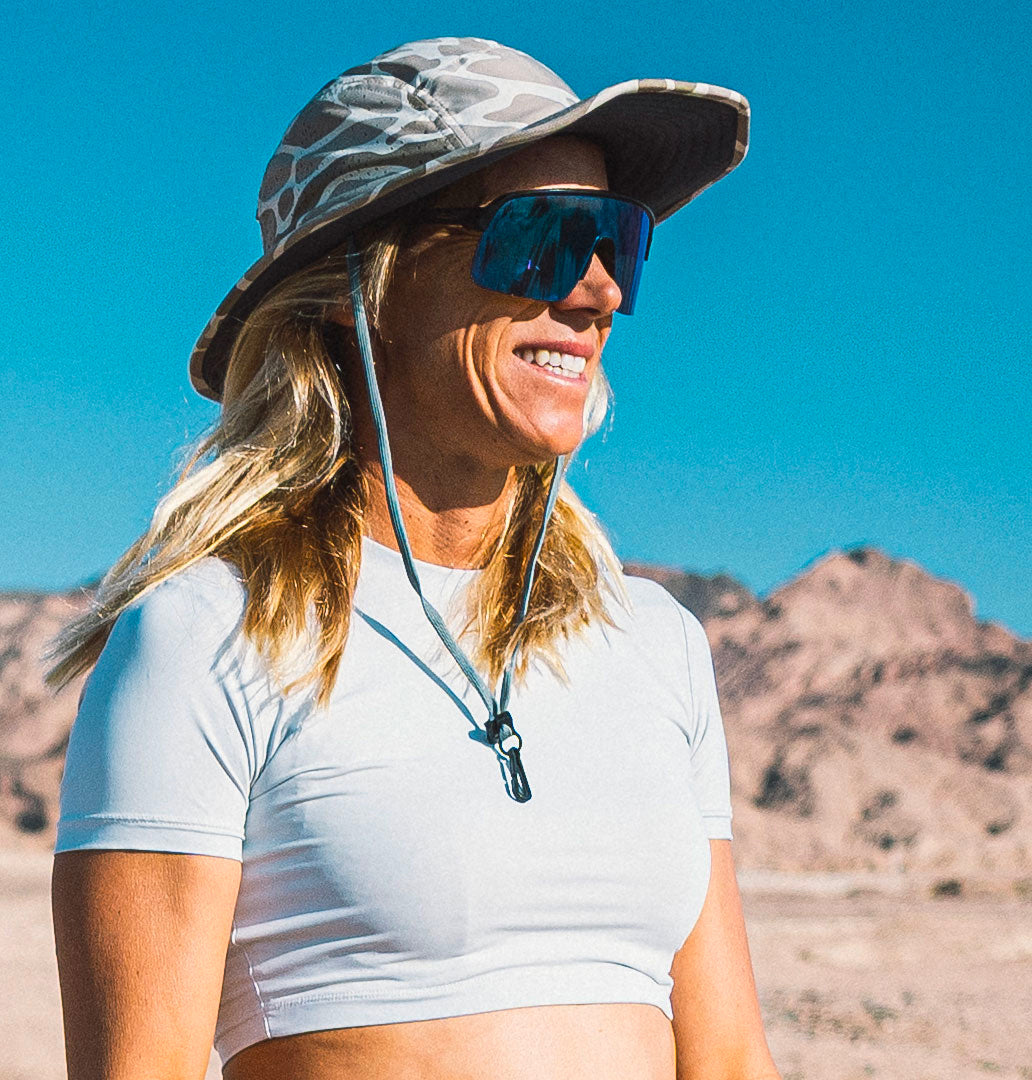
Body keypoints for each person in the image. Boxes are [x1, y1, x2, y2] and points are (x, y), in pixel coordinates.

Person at [47, 36, 780, 1080]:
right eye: (543, 238)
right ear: (371, 281)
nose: (601, 290)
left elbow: (732, 1057)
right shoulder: (205, 638)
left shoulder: (654, 643)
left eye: (618, 237)